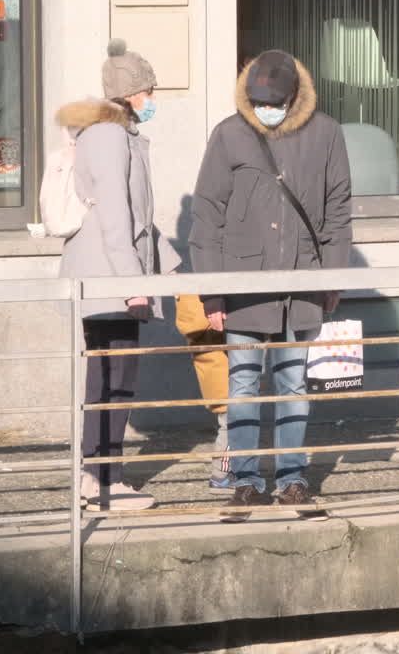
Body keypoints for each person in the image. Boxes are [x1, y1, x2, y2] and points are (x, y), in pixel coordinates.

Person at [190, 49, 352, 515]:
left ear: (293, 97)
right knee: (242, 384)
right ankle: (244, 478)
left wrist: (332, 279)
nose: (267, 110)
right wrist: (213, 293)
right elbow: (207, 217)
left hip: (301, 286)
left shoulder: (326, 134)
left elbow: (338, 212)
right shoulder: (229, 135)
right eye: (259, 101)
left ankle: (293, 477)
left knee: (293, 384)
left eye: (275, 102)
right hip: (244, 287)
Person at [58, 39, 180, 512]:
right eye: (148, 91)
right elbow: (115, 218)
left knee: (110, 375)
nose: (152, 99)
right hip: (111, 279)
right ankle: (100, 481)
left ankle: (100, 476)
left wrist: (166, 263)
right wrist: (134, 286)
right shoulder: (109, 136)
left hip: (112, 273)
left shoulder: (110, 133)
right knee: (113, 377)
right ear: (131, 93)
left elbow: (137, 219)